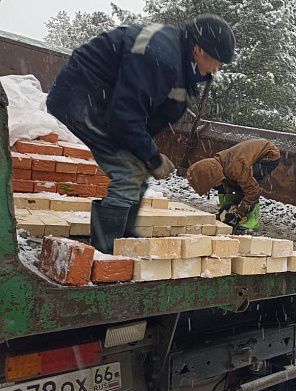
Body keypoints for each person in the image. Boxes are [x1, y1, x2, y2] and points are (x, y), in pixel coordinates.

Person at [46, 15, 236, 254]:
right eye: (217, 63)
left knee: (137, 167)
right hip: (82, 95)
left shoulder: (179, 60)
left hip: (104, 100)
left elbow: (144, 112)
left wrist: (146, 154)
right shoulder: (161, 57)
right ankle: (106, 253)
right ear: (199, 50)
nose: (216, 70)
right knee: (128, 171)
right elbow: (126, 114)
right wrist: (152, 157)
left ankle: (124, 239)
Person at [186, 139, 280, 233]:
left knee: (250, 185)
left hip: (269, 155)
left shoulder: (236, 168)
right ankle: (231, 210)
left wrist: (238, 214)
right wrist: (230, 206)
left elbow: (253, 191)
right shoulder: (220, 163)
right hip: (246, 158)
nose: (215, 186)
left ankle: (252, 219)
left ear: (212, 176)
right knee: (234, 185)